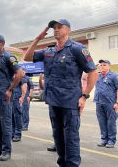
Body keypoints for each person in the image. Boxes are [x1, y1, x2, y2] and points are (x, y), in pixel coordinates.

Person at [23, 19, 98, 166]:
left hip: (70, 101)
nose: (56, 30)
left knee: (70, 138)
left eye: (59, 27)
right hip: (53, 100)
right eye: (54, 28)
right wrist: (38, 38)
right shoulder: (49, 51)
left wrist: (85, 95)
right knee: (58, 136)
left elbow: (93, 72)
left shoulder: (76, 48)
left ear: (68, 30)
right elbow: (26, 57)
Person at [94, 59, 118, 148]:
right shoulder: (98, 76)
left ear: (109, 66)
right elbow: (86, 76)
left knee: (111, 122)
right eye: (101, 65)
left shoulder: (114, 76)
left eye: (104, 65)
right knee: (102, 121)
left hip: (110, 102)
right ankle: (104, 139)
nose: (102, 66)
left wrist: (117, 102)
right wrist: (94, 67)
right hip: (99, 102)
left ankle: (111, 140)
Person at [39, 73, 56, 152]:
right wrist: (40, 78)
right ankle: (57, 144)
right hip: (51, 104)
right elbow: (42, 87)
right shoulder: (48, 80)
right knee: (54, 126)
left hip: (59, 104)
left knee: (62, 126)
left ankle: (64, 145)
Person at [12, 71, 27, 142]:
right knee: (11, 116)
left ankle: (18, 134)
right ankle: (12, 133)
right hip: (11, 98)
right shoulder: (10, 74)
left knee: (17, 116)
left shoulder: (19, 74)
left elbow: (24, 85)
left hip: (17, 98)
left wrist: (22, 97)